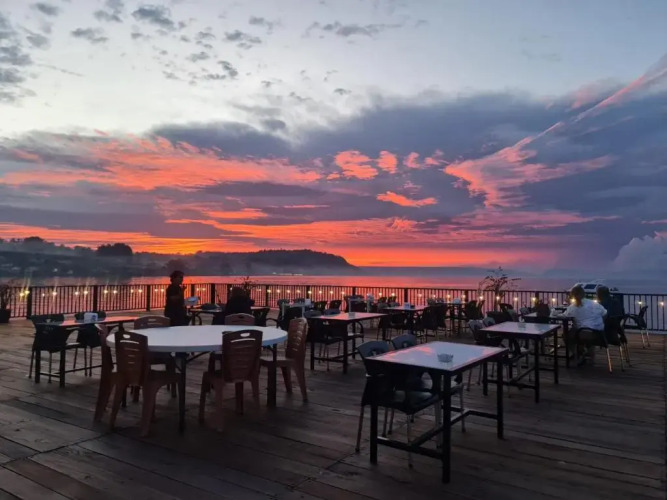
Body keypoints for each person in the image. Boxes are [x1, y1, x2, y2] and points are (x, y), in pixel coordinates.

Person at [563, 285, 607, 364]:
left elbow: (565, 316)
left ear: (572, 296)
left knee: (566, 336)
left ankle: (577, 353)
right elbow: (605, 313)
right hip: (598, 333)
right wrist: (600, 322)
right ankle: (587, 352)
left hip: (582, 333)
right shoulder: (594, 304)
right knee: (583, 331)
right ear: (584, 294)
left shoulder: (572, 307)